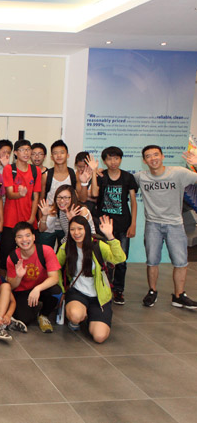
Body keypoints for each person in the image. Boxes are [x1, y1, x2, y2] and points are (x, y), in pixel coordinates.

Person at [136, 145, 197, 309]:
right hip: (152, 225)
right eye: (148, 156)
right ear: (144, 160)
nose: (153, 158)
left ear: (162, 156)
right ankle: (152, 291)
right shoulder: (141, 177)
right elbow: (121, 180)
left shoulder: (178, 173)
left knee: (181, 262)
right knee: (152, 260)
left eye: (156, 155)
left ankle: (179, 295)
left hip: (175, 224)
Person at [57, 216, 125, 343]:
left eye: (80, 229)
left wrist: (110, 237)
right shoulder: (66, 247)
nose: (76, 233)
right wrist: (61, 290)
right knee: (75, 315)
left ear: (87, 229)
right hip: (77, 292)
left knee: (99, 337)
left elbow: (119, 258)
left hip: (99, 296)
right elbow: (55, 267)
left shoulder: (98, 245)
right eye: (72, 229)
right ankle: (78, 317)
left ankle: (92, 317)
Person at [88, 147, 138, 304]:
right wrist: (94, 173)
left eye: (116, 158)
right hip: (103, 225)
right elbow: (95, 193)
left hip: (123, 225)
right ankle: (105, 287)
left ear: (121, 159)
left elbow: (134, 202)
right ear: (104, 161)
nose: (113, 162)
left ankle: (118, 290)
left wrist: (133, 223)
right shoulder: (101, 176)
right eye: (109, 159)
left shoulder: (128, 177)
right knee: (103, 260)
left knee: (121, 260)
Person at [6, 221, 62, 333]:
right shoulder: (12, 257)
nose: (24, 240)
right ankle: (33, 308)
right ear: (16, 240)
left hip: (41, 289)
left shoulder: (46, 251)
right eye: (20, 237)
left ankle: (43, 315)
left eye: (27, 235)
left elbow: (55, 278)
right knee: (24, 319)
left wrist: (38, 288)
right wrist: (19, 276)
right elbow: (11, 286)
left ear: (34, 237)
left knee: (56, 291)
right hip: (23, 291)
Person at [0, 140, 41, 269]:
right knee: (6, 256)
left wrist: (32, 217)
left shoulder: (35, 170)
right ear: (16, 153)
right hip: (10, 221)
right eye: (22, 150)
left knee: (29, 256)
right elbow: (10, 194)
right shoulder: (9, 169)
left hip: (29, 220)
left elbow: (36, 196)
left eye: (28, 150)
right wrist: (20, 194)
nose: (26, 152)